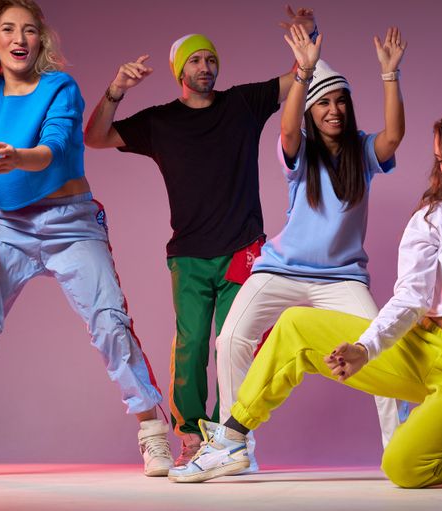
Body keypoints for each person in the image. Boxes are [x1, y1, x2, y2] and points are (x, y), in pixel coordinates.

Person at [167, 102, 442, 486]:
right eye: (439, 160)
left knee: (403, 468)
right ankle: (232, 438)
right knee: (296, 325)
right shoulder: (432, 219)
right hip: (426, 350)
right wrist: (364, 348)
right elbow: (409, 299)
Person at [0, 0, 172, 480]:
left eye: (29, 30)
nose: (19, 39)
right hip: (8, 228)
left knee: (110, 321)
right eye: (8, 29)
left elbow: (54, 147)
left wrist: (18, 158)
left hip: (72, 223)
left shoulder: (58, 87)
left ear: (40, 40)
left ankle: (154, 435)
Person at [83, 6, 318, 468]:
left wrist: (308, 35)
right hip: (189, 254)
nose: (205, 67)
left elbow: (298, 77)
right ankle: (191, 436)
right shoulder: (160, 121)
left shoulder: (243, 104)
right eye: (195, 60)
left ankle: (231, 435)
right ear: (180, 71)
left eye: (211, 59)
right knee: (190, 347)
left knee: (236, 343)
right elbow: (95, 136)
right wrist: (116, 91)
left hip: (243, 247)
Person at [207, 25, 407, 476]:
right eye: (323, 103)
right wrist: (305, 72)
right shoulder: (298, 155)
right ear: (311, 111)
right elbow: (285, 125)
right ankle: (236, 445)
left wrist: (389, 75)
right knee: (231, 338)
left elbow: (393, 136)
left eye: (339, 101)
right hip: (281, 270)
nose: (332, 110)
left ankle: (402, 448)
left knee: (382, 348)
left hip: (342, 279)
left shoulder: (362, 150)